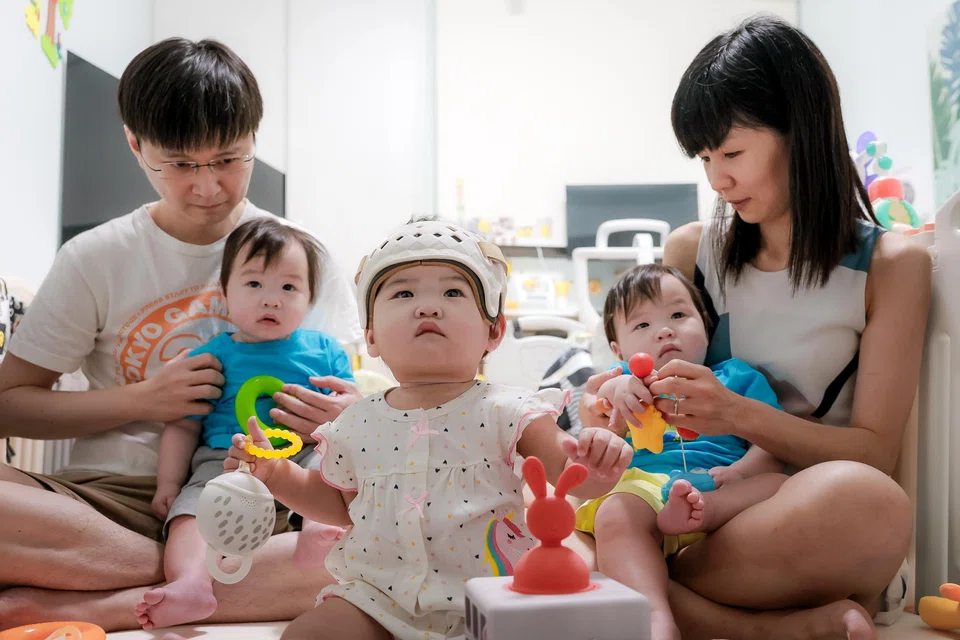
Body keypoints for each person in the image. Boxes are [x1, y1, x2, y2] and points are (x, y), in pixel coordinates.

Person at [577, 15, 928, 640]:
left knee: (872, 505)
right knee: (551, 514)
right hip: (668, 501)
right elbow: (617, 381)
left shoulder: (890, 265)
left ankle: (649, 594)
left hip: (778, 512)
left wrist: (740, 414)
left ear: (801, 132)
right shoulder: (693, 252)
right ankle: (767, 627)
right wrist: (605, 403)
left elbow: (876, 452)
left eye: (732, 153)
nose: (717, 180)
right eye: (707, 158)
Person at [0, 38, 363, 632]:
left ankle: (108, 597)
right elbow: (7, 404)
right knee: (357, 566)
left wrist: (348, 411)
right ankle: (188, 573)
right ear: (135, 144)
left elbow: (340, 408)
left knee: (397, 538)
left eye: (228, 160)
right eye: (181, 165)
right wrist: (143, 401)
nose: (207, 187)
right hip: (107, 503)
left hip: (267, 499)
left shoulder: (301, 255)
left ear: (253, 140)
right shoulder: (96, 257)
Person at [226, 218, 634, 640]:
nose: (427, 307)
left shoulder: (510, 409)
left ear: (493, 332)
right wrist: (276, 474)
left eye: (453, 292)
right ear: (371, 337)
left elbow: (570, 476)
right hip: (375, 599)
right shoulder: (355, 421)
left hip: (492, 597)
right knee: (307, 635)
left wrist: (599, 457)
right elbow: (337, 503)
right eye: (403, 293)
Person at [135, 217, 354, 630]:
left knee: (333, 477)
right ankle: (189, 584)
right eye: (254, 285)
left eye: (289, 288)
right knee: (190, 513)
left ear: (309, 299)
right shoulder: (213, 354)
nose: (271, 300)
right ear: (225, 294)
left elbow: (351, 418)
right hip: (226, 458)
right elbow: (182, 424)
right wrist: (168, 483)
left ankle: (316, 536)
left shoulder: (325, 351)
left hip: (305, 451)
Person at [576, 263, 787, 640]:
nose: (665, 330)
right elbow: (601, 402)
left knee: (778, 482)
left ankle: (701, 513)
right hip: (646, 491)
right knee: (616, 515)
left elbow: (769, 445)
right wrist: (621, 386)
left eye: (678, 314)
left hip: (725, 490)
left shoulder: (737, 378)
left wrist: (740, 473)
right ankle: (655, 621)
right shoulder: (625, 380)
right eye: (642, 325)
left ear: (705, 324)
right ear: (617, 349)